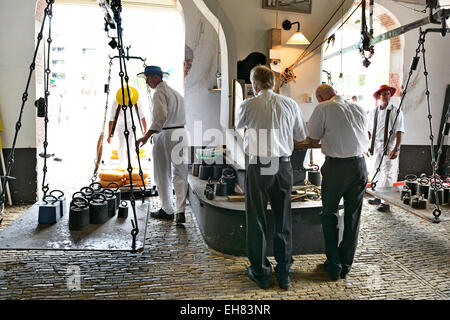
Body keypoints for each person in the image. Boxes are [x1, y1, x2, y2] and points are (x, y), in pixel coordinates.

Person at [236, 65, 308, 290]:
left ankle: (260, 272)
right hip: (283, 166)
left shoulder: (248, 104)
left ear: (254, 85)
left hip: (259, 166)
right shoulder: (290, 104)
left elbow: (239, 128)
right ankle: (284, 273)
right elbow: (300, 136)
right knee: (283, 218)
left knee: (256, 219)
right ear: (274, 83)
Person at [307, 84, 369, 281]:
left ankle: (334, 265)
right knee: (353, 217)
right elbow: (364, 134)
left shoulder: (323, 108)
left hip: (337, 168)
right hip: (360, 166)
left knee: (329, 215)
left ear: (320, 97)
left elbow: (312, 138)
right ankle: (346, 264)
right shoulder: (358, 107)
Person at [136, 66, 189, 225]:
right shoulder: (176, 93)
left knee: (162, 173)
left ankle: (167, 209)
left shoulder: (159, 92)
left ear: (154, 77)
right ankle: (180, 211)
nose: (146, 81)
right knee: (180, 173)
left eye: (147, 78)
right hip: (181, 133)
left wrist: (146, 137)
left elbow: (160, 117)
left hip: (166, 134)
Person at [367, 84, 405, 212]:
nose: (386, 95)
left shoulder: (396, 111)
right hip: (375, 145)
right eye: (384, 93)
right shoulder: (373, 112)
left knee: (387, 173)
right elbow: (369, 130)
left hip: (389, 145)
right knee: (375, 170)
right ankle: (377, 196)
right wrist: (367, 145)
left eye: (388, 93)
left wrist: (397, 148)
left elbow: (400, 131)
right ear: (379, 96)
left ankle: (386, 202)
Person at [107, 87, 147, 170]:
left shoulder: (136, 101)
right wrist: (109, 135)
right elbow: (112, 119)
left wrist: (145, 130)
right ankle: (121, 164)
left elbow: (142, 116)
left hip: (131, 125)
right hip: (120, 125)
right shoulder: (116, 102)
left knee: (131, 145)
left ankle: (131, 163)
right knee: (121, 145)